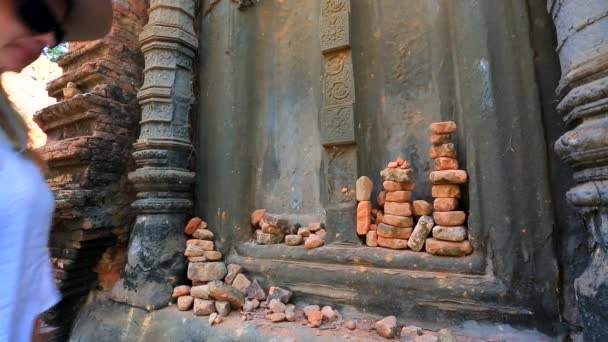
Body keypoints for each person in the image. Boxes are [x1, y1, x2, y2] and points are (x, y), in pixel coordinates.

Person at [0, 0, 112, 341]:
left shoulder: (12, 135)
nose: (49, 38)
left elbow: (24, 289)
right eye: (36, 12)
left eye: (59, 32)